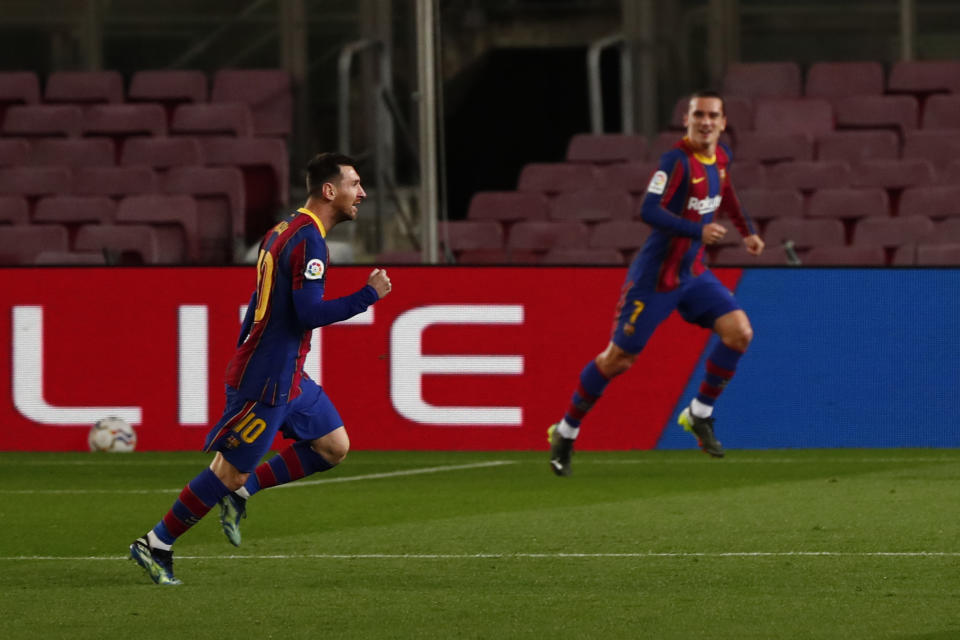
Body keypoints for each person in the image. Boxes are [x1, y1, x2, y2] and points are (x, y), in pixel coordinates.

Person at [130, 153, 393, 585]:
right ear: (330, 191)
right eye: (355, 184)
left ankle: (243, 494)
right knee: (228, 469)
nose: (361, 193)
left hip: (286, 372)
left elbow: (260, 305)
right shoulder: (310, 241)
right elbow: (307, 312)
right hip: (268, 378)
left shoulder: (282, 230)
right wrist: (368, 295)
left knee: (333, 446)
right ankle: (155, 543)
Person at [548, 90, 764, 476]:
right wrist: (698, 229)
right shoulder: (676, 161)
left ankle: (699, 414)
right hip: (655, 279)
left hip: (693, 273)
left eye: (713, 115)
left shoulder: (722, 157)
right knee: (618, 360)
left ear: (723, 122)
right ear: (687, 119)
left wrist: (747, 232)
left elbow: (727, 193)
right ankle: (566, 430)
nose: (706, 122)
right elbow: (648, 210)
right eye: (699, 114)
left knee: (740, 333)